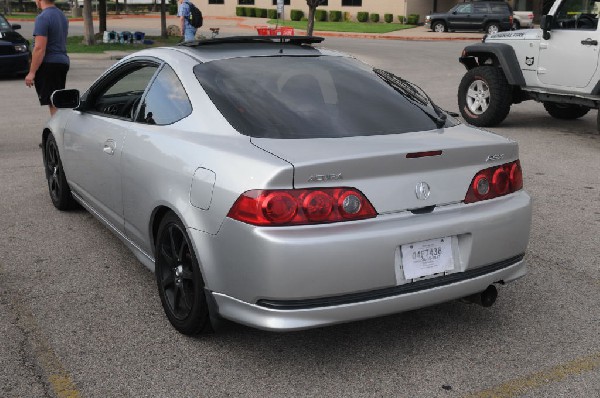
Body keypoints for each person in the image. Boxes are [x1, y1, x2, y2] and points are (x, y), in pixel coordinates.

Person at [24, 0, 69, 117]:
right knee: (56, 101)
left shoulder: (43, 17)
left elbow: (39, 48)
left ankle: (56, 133)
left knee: (53, 102)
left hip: (49, 64)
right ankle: (57, 131)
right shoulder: (62, 16)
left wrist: (32, 72)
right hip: (62, 62)